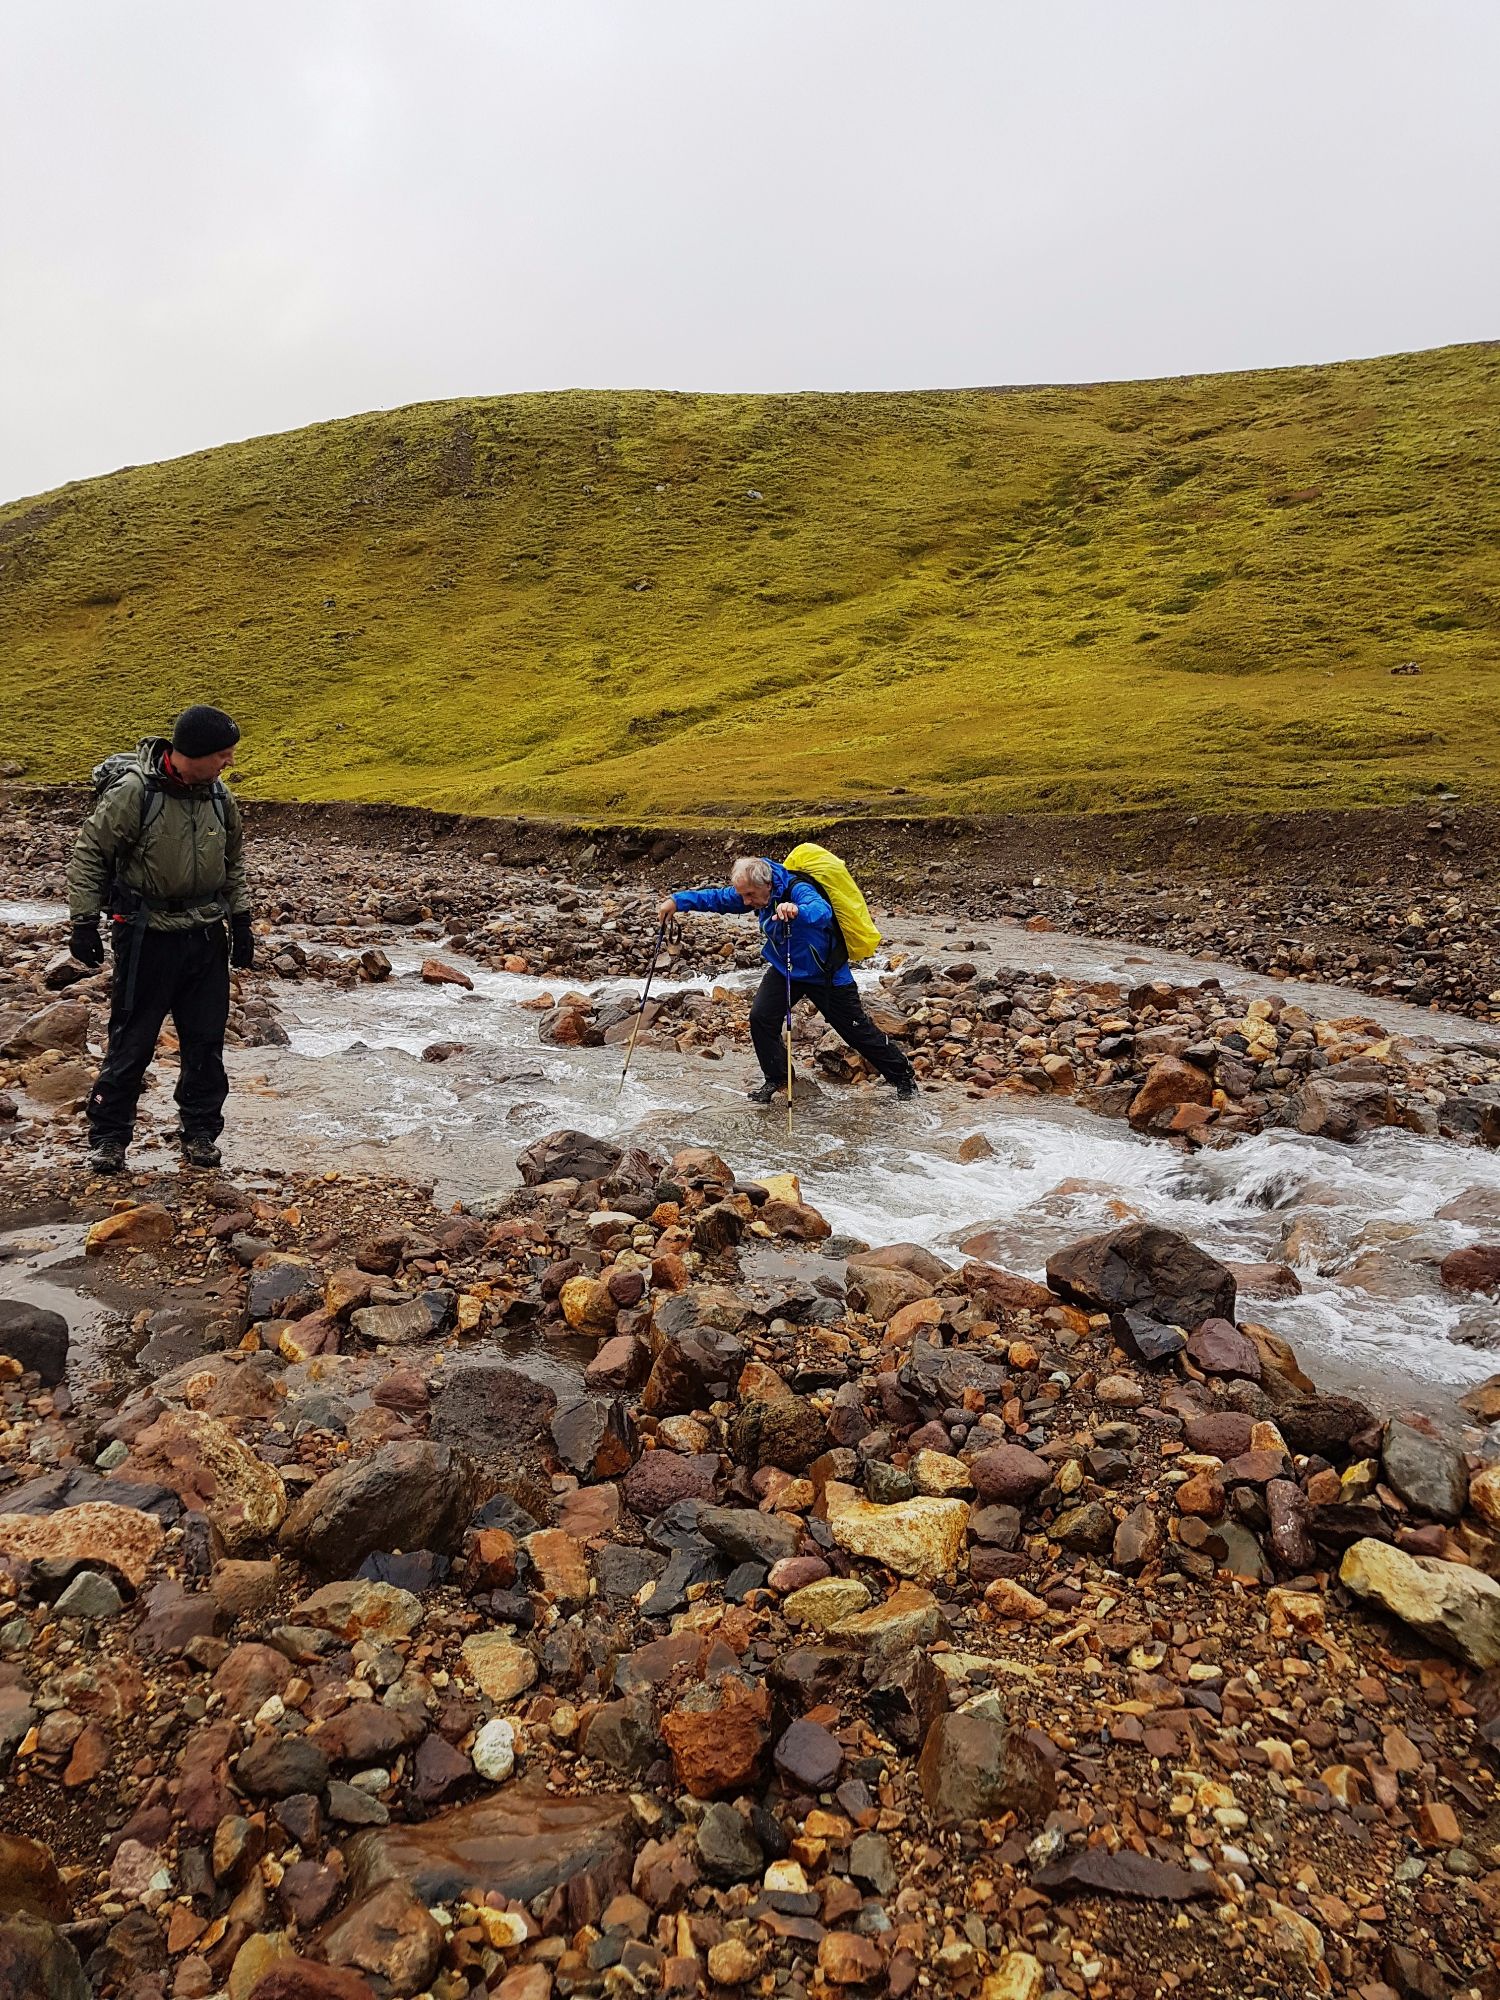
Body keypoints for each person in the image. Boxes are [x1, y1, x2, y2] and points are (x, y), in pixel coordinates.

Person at [66, 706, 254, 1173]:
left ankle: (200, 1133)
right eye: (223, 754)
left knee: (206, 1042)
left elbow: (233, 863)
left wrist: (242, 920)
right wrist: (83, 922)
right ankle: (109, 1138)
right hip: (145, 934)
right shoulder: (135, 793)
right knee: (132, 1041)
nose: (229, 762)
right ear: (195, 753)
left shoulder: (219, 797)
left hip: (205, 933)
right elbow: (91, 853)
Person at [660, 856, 917, 1103]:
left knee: (856, 1031)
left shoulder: (797, 888)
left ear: (767, 884)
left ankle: (903, 1076)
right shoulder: (755, 893)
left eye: (750, 895)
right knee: (761, 1018)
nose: (746, 901)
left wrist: (797, 910)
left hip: (825, 973)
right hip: (786, 969)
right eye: (743, 895)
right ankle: (779, 1079)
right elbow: (716, 898)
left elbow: (821, 911)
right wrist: (676, 901)